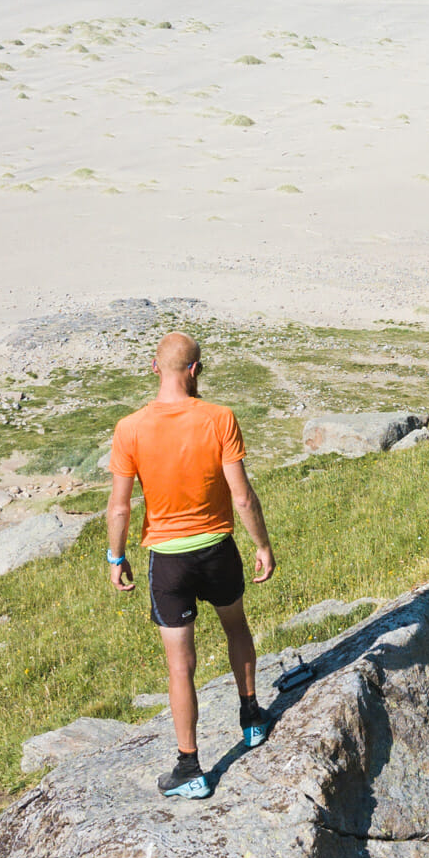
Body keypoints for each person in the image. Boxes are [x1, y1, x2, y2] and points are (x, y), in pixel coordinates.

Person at [106, 330, 276, 799]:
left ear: (154, 367)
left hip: (168, 560)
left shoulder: (130, 428)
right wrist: (262, 544)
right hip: (218, 548)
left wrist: (116, 555)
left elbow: (119, 508)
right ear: (196, 370)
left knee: (180, 666)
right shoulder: (220, 419)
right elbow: (241, 495)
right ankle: (252, 718)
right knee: (236, 628)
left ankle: (190, 768)